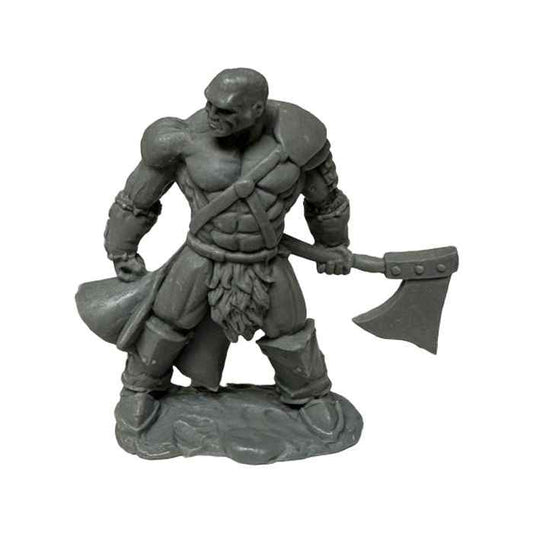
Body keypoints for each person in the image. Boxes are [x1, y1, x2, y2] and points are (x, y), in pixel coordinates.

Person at [104, 68, 352, 435]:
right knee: (166, 322)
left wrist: (332, 244)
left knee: (290, 330)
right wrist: (122, 249)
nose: (212, 115)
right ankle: (140, 388)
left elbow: (325, 200)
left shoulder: (299, 142)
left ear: (256, 109)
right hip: (201, 255)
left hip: (264, 258)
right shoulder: (182, 140)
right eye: (210, 104)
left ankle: (309, 395)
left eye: (225, 110)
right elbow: (137, 197)